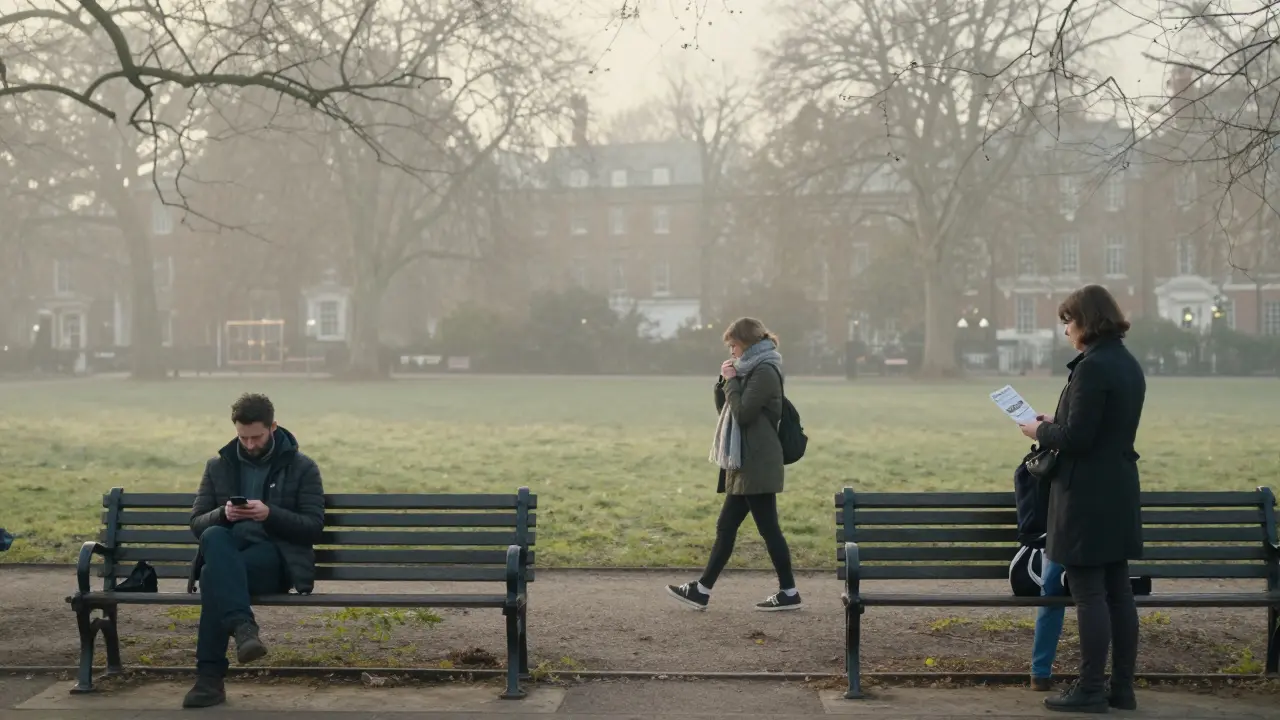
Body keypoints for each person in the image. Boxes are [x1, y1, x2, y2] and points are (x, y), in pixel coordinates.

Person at [1018, 285, 1145, 714]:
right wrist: (1060, 418)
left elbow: (1077, 439)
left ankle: (1091, 688)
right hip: (1119, 489)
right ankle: (1121, 688)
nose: (1066, 330)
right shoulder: (1127, 363)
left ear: (1087, 321)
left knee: (1089, 593)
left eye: (1068, 321)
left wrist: (1041, 431)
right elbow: (1103, 426)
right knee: (1118, 593)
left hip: (1086, 496)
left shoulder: (1091, 368)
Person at [183, 393, 325, 708]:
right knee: (215, 538)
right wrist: (223, 513)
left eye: (256, 437)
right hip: (230, 554)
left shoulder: (302, 467)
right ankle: (242, 627)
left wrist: (269, 514)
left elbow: (314, 526)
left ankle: (209, 680)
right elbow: (197, 524)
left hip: (274, 560)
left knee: (212, 576)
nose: (249, 444)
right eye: (242, 437)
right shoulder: (217, 466)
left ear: (273, 427)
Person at [666, 317, 801, 612]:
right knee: (726, 526)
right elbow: (725, 409)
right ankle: (701, 590)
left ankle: (789, 592)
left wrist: (731, 382)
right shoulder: (748, 369)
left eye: (734, 346)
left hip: (757, 462)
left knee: (768, 529)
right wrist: (724, 382)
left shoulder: (765, 370)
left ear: (748, 343)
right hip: (744, 460)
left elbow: (743, 414)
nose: (731, 352)